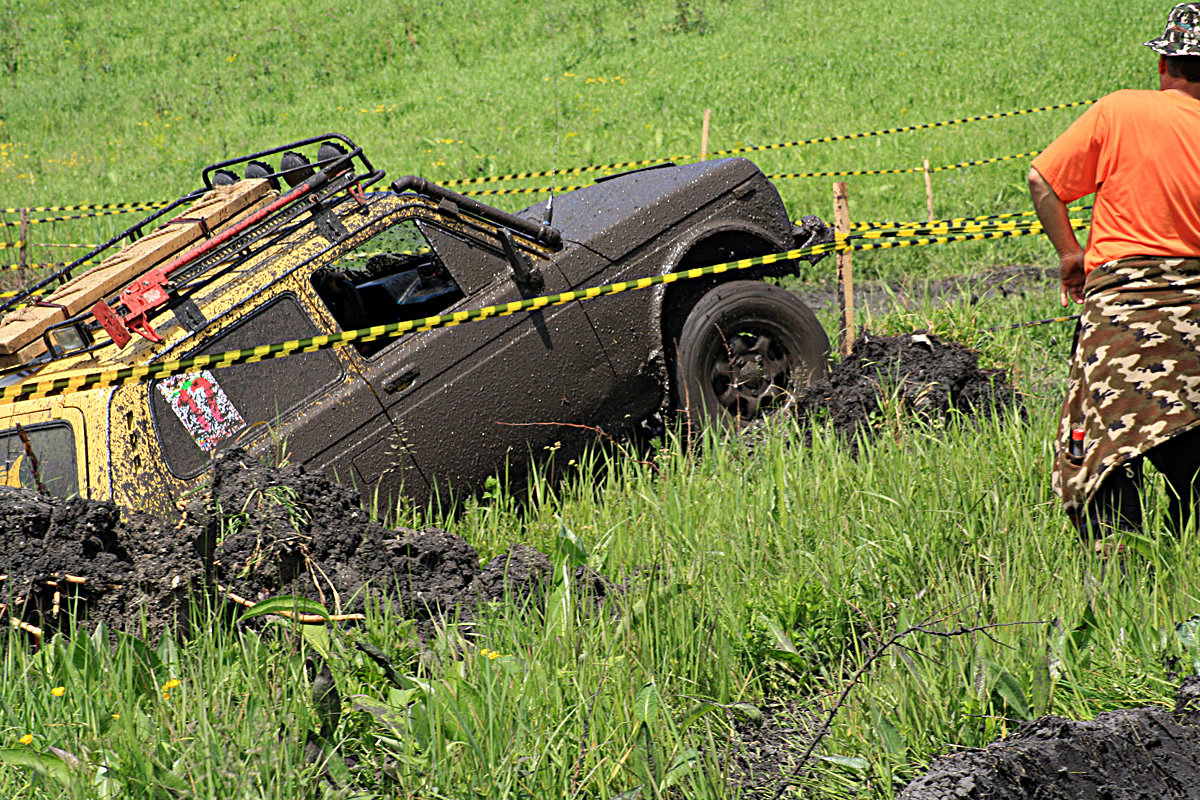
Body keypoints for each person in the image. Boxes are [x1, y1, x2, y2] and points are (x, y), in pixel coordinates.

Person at [1028, 3, 1200, 540]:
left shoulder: (1118, 110)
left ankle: (1117, 571)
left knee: (1101, 450)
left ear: (1163, 65)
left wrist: (1070, 255)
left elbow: (1042, 181)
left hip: (1118, 317)